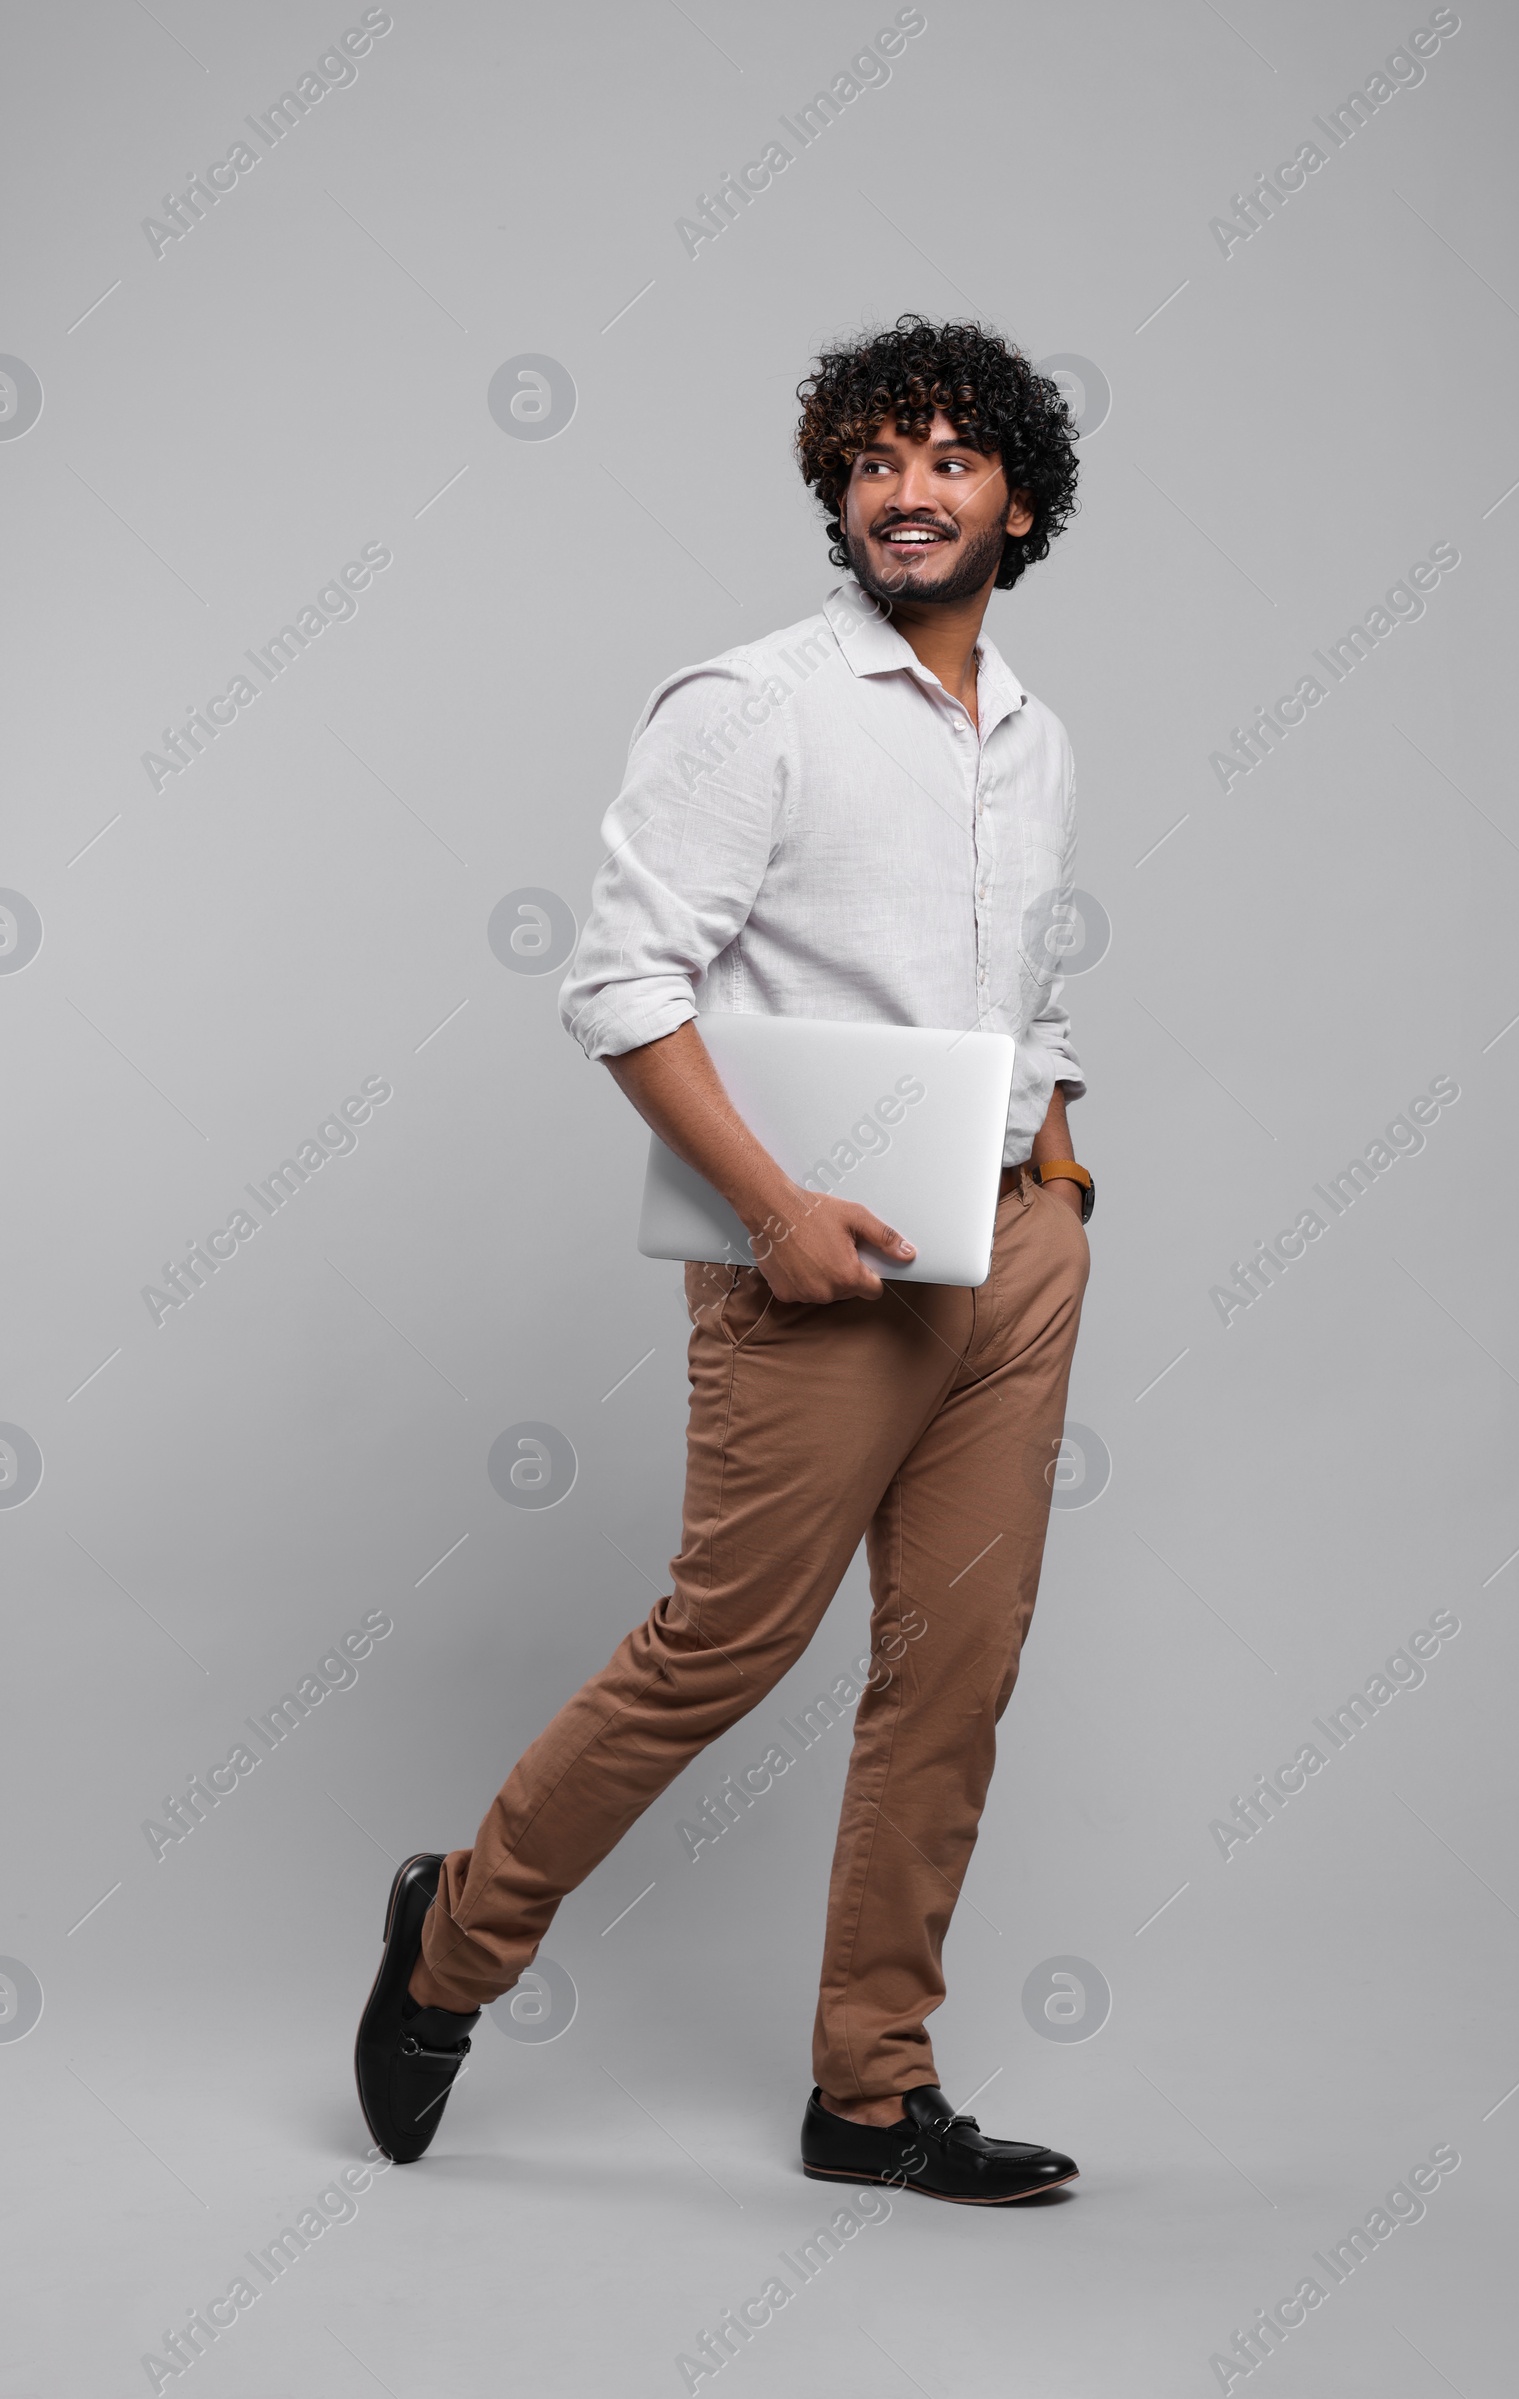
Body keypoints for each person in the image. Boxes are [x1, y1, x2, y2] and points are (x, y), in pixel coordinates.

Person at [356, 314, 1096, 2204]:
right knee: (723, 1648)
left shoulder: (1035, 733)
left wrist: (1062, 1158)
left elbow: (1018, 976)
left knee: (957, 1673)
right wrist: (774, 1215)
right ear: (835, 496)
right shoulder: (750, 705)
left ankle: (873, 2092)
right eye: (874, 461)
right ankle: (454, 1939)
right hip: (816, 1264)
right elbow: (618, 983)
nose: (906, 492)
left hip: (1008, 1258)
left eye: (946, 460)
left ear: (1020, 501)